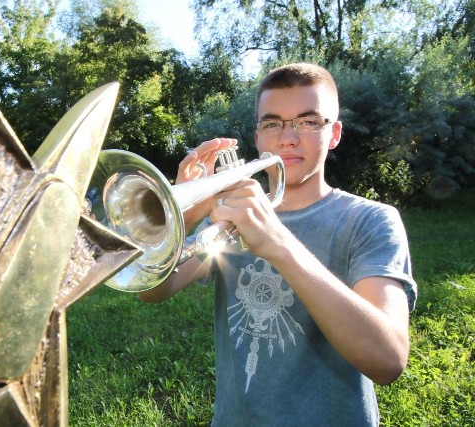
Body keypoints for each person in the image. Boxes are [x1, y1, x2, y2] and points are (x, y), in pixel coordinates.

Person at [139, 63, 417, 426]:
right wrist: (184, 219)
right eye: (272, 123)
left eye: (308, 121)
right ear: (258, 137)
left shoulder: (371, 220)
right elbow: (153, 292)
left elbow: (387, 360)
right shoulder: (229, 218)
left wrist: (278, 242)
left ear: (333, 134)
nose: (287, 138)